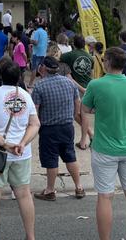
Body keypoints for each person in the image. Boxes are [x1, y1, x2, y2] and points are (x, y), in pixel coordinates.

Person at [82, 46, 126, 240]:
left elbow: (85, 109)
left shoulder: (96, 85)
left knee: (105, 196)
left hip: (105, 149)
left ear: (107, 62)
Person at [0, 62, 40, 240]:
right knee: (24, 195)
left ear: (0, 76)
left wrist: (4, 144)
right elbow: (35, 124)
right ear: (19, 78)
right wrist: (22, 142)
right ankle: (30, 236)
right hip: (22, 153)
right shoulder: (25, 96)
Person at [32, 56, 85, 201]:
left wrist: (35, 125)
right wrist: (74, 115)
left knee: (51, 159)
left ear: (43, 68)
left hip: (49, 129)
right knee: (70, 156)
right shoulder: (69, 82)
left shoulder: (39, 86)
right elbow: (77, 101)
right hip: (67, 126)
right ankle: (79, 187)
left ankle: (50, 190)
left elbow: (35, 110)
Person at [60, 35, 94, 150]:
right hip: (88, 87)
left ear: (73, 44)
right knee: (84, 114)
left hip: (76, 88)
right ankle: (89, 136)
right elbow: (91, 74)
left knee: (77, 114)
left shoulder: (69, 55)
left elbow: (57, 57)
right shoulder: (90, 57)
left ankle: (84, 141)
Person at [29, 22, 48, 86]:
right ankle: (43, 83)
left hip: (37, 53)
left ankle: (30, 84)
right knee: (42, 68)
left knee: (34, 68)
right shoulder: (45, 32)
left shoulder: (37, 32)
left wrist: (30, 40)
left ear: (36, 27)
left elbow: (36, 42)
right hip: (43, 53)